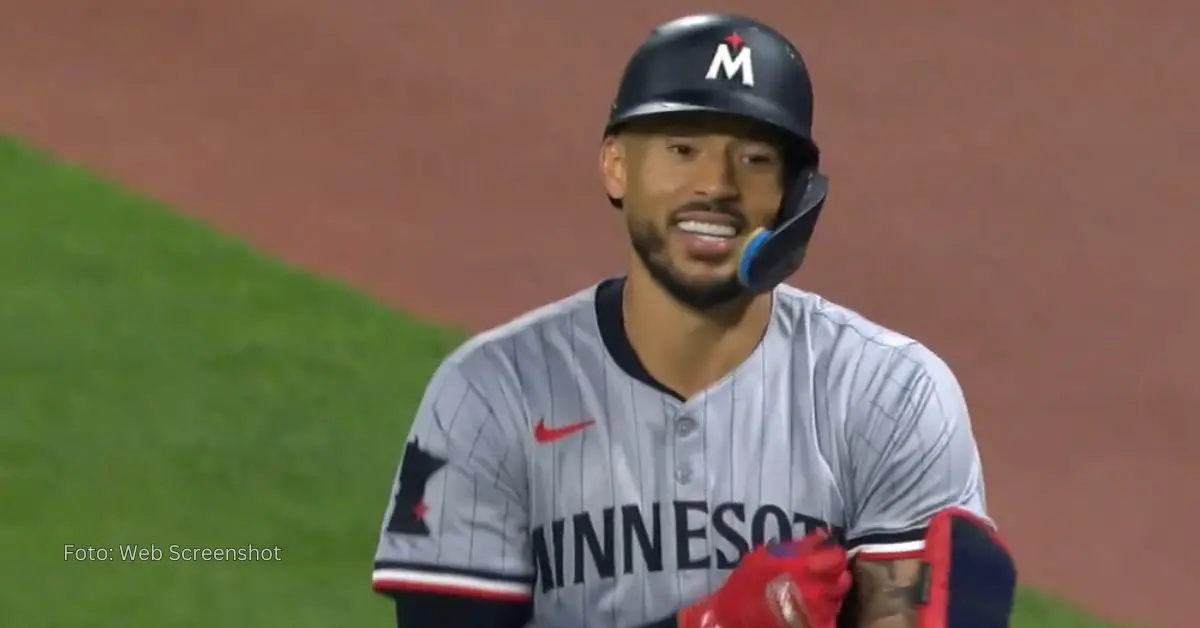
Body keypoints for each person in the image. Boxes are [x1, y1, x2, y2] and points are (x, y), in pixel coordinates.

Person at [371, 12, 1016, 628]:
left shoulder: (888, 394)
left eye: (756, 159)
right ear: (616, 165)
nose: (717, 184)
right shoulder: (489, 394)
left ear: (797, 196)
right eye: (683, 148)